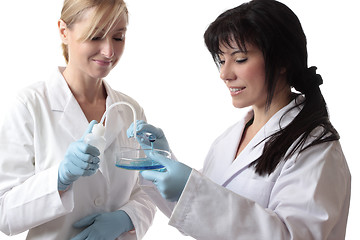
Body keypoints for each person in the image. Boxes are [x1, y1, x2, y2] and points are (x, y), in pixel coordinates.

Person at [128, 0, 351, 239]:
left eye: (240, 59)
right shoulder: (230, 138)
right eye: (222, 60)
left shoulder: (315, 147)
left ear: (282, 61)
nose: (225, 74)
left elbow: (292, 235)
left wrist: (190, 190)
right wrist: (164, 163)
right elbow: (202, 218)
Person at [0, 0, 156, 239]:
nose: (109, 51)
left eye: (118, 37)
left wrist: (127, 218)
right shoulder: (30, 106)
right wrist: (59, 179)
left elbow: (148, 190)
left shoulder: (130, 110)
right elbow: (4, 213)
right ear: (64, 31)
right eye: (96, 36)